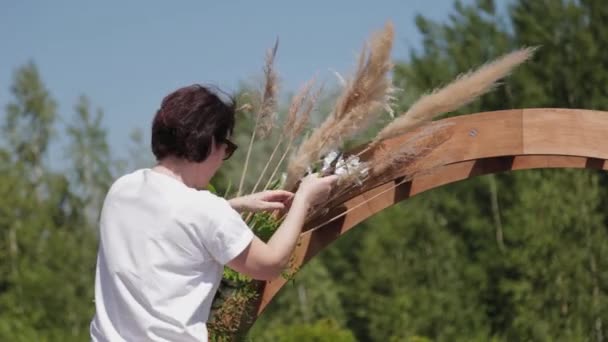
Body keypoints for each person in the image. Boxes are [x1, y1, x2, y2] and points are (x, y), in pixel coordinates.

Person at [90, 84, 337, 341]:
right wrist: (304, 199)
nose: (222, 159)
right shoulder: (206, 211)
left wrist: (235, 204)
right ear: (208, 142)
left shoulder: (122, 190)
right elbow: (270, 264)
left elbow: (171, 221)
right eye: (226, 147)